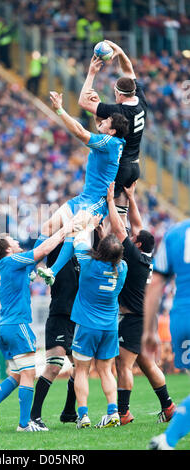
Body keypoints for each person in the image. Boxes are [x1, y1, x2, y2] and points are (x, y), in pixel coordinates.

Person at [0, 221, 76, 432]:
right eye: (13, 240)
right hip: (17, 325)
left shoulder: (8, 265)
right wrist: (64, 231)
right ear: (8, 249)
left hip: (4, 327)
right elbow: (42, 250)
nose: (17, 241)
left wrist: (45, 231)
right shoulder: (12, 260)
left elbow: (36, 256)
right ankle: (24, 424)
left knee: (16, 375)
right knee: (29, 374)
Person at [36, 90, 129, 287]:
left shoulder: (109, 143)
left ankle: (52, 271)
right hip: (83, 198)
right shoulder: (112, 140)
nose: (101, 121)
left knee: (73, 230)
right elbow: (98, 123)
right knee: (48, 226)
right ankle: (29, 269)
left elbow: (79, 132)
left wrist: (60, 110)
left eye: (105, 121)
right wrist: (96, 96)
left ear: (112, 130)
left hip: (96, 202)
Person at [107, 182, 176, 425]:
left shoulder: (134, 258)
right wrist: (132, 198)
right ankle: (168, 407)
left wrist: (109, 200)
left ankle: (123, 412)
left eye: (133, 238)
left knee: (123, 364)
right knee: (147, 363)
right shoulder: (147, 257)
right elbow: (137, 226)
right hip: (145, 317)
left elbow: (118, 228)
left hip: (134, 318)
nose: (132, 235)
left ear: (136, 245)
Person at [78, 41, 147, 221]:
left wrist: (92, 72)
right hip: (134, 167)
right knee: (120, 217)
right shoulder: (140, 100)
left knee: (103, 212)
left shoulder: (119, 111)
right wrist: (121, 53)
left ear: (119, 93)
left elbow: (83, 102)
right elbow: (129, 70)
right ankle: (121, 247)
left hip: (119, 166)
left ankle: (99, 246)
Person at [70, 226, 127, 428]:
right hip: (109, 327)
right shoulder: (122, 268)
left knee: (82, 371)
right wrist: (105, 239)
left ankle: (83, 415)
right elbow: (111, 256)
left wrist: (87, 224)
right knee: (106, 371)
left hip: (87, 325)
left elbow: (79, 240)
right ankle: (112, 412)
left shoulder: (88, 264)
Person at [142, 219, 190, 450]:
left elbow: (155, 283)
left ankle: (167, 440)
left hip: (182, 318)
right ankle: (168, 440)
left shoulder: (174, 233)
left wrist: (150, 331)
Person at [30, 242, 80, 430]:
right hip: (59, 315)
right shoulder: (59, 248)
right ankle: (34, 415)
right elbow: (47, 239)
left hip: (77, 318)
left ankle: (69, 411)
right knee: (54, 366)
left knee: (80, 367)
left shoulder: (82, 253)